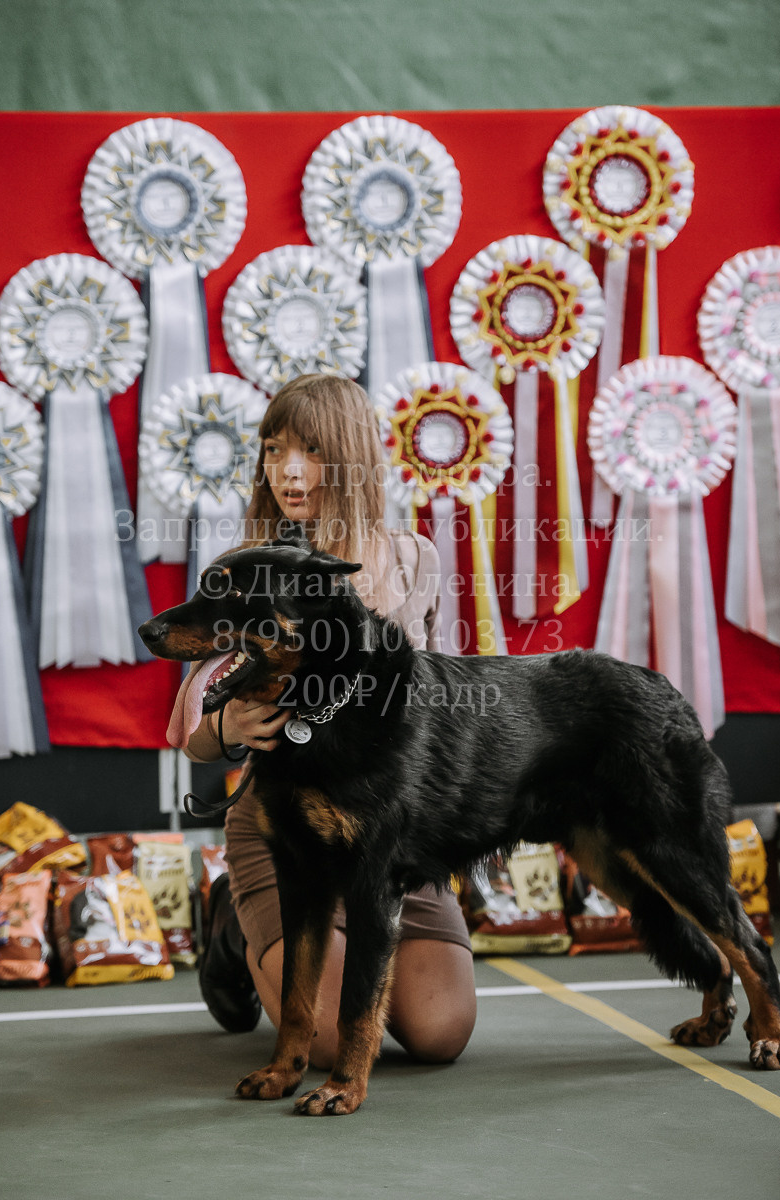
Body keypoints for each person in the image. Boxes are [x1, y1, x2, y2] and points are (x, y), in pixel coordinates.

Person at [183, 373, 477, 1070]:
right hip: (285, 829)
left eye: (309, 450)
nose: (286, 470)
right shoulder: (245, 568)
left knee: (439, 1036)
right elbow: (194, 735)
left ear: (350, 459)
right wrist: (229, 730)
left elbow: (437, 699)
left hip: (387, 834)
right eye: (273, 448)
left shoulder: (414, 560)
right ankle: (231, 916)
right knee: (320, 1042)